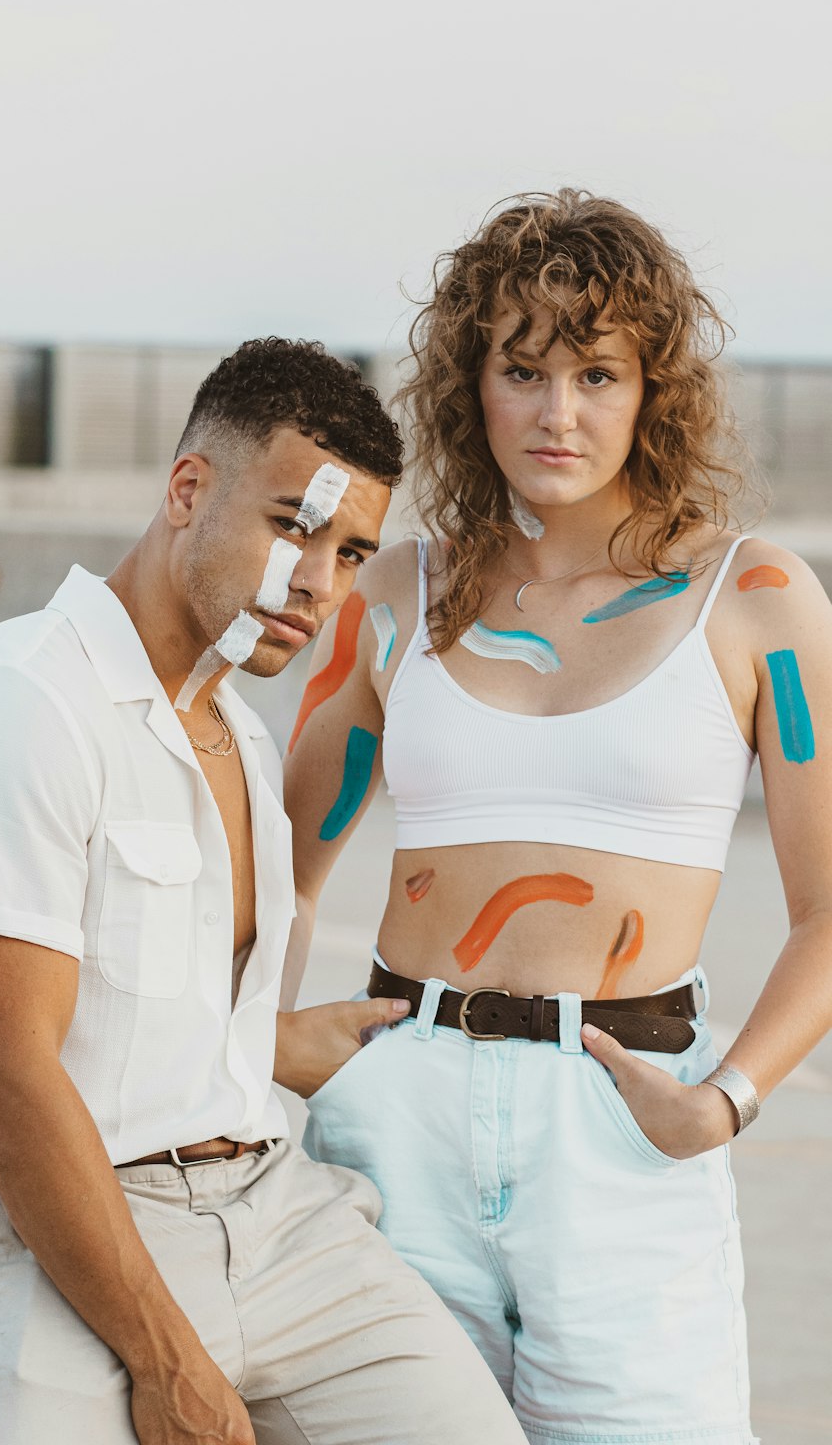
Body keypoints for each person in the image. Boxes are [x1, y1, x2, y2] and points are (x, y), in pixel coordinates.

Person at [0, 337, 526, 1445]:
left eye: (352, 550)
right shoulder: (20, 704)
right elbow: (5, 1072)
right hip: (51, 1232)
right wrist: (163, 1356)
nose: (319, 582)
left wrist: (269, 1044)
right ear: (188, 490)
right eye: (292, 526)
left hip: (271, 1215)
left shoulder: (237, 733)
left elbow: (141, 1000)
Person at [282, 192, 832, 1445]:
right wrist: (267, 1037)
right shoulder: (397, 595)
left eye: (596, 371)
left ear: (653, 389)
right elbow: (278, 865)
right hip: (396, 1111)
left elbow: (830, 909)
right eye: (520, 369)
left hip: (626, 1123)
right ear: (471, 385)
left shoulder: (751, 598)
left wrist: (725, 1100)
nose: (558, 413)